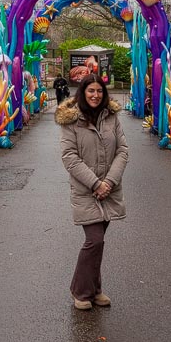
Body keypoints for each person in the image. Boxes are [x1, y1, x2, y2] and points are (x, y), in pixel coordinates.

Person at [56, 74, 129, 311]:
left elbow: (123, 150)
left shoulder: (111, 117)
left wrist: (108, 181)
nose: (95, 95)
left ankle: (95, 289)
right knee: (94, 240)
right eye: (91, 91)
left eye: (99, 91)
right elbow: (69, 157)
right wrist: (96, 184)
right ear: (82, 92)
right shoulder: (71, 121)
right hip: (86, 190)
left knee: (99, 242)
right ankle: (80, 291)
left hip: (110, 189)